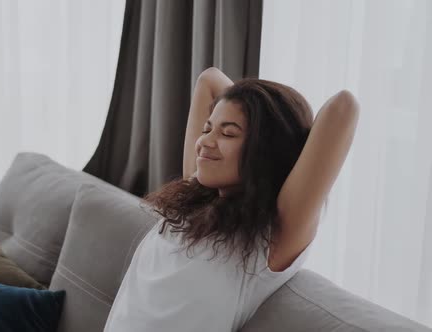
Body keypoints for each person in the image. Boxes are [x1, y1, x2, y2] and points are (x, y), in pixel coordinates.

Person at [103, 67, 360, 331]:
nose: (205, 143)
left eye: (228, 134)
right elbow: (209, 78)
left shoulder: (273, 234)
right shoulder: (195, 196)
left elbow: (343, 108)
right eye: (207, 129)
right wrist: (244, 102)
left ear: (264, 150)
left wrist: (272, 125)